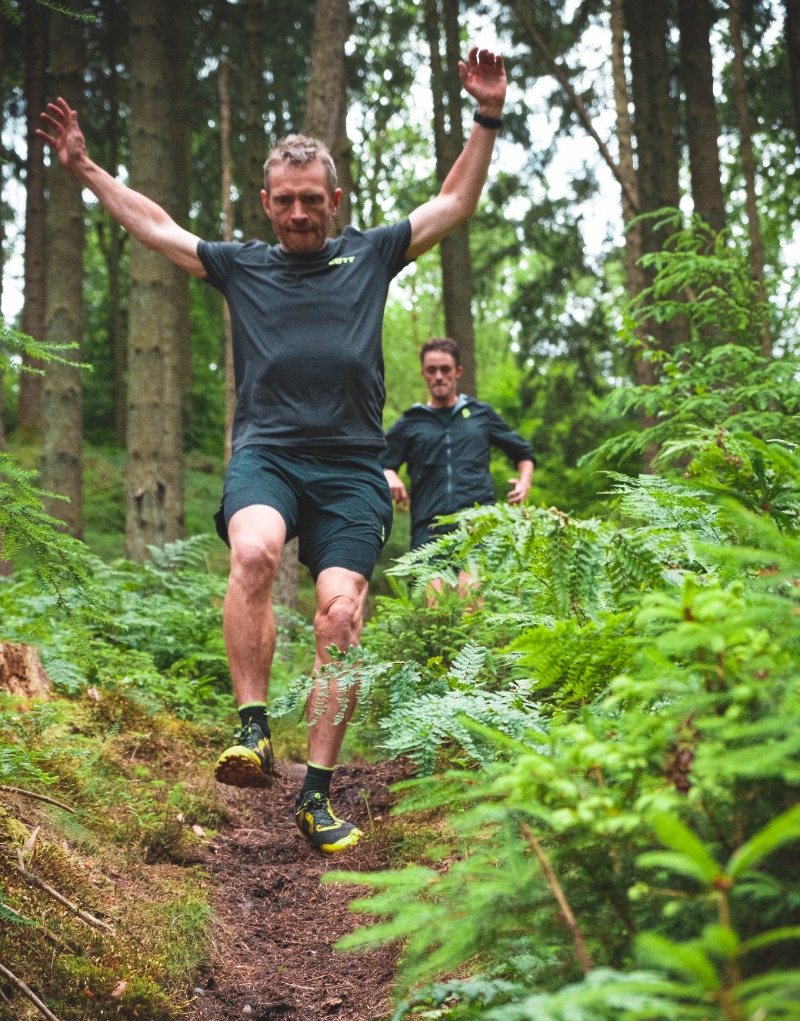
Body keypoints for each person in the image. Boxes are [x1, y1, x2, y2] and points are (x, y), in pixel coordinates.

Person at [37, 47, 507, 855]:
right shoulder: (242, 266)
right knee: (253, 553)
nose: (297, 214)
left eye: (310, 201)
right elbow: (155, 226)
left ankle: (316, 796)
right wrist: (85, 168)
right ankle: (253, 729)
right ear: (265, 202)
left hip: (353, 466)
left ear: (334, 200)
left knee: (341, 617)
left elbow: (454, 201)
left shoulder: (371, 254)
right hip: (269, 453)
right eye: (284, 201)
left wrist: (487, 113)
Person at [381, 338, 534, 576]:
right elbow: (379, 459)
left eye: (445, 369)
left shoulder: (480, 414)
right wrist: (389, 474)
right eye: (431, 370)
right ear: (423, 373)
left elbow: (523, 452)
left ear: (458, 372)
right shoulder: (412, 421)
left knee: (471, 596)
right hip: (428, 527)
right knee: (435, 600)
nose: (439, 376)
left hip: (478, 524)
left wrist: (524, 482)